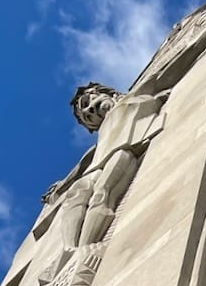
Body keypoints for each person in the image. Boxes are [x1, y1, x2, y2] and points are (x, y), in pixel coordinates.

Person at [33, 81, 167, 251]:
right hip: (97, 164)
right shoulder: (100, 138)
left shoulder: (134, 98)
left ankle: (85, 246)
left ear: (104, 92)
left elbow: (164, 72)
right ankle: (70, 248)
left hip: (124, 148)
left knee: (103, 191)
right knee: (78, 190)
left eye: (88, 102)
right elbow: (82, 165)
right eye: (87, 117)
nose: (89, 110)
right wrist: (61, 187)